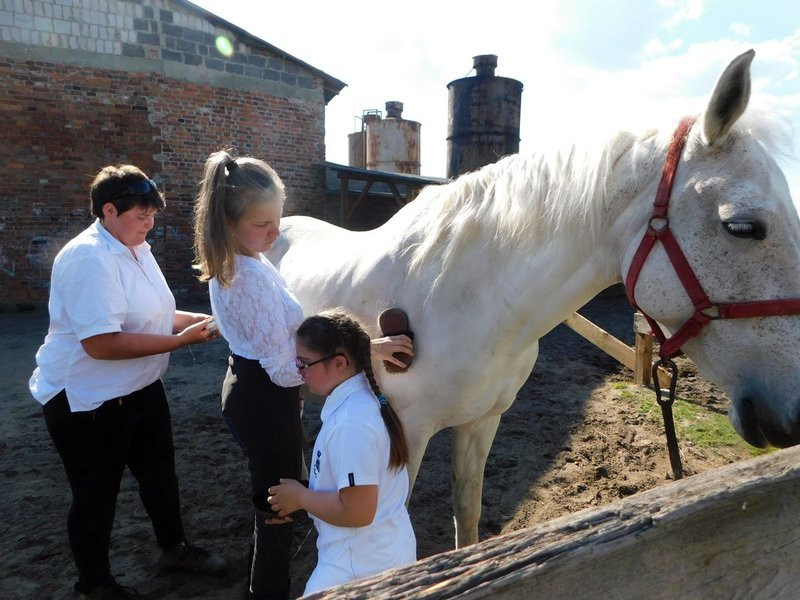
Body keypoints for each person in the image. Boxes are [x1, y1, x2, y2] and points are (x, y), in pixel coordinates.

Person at [192, 150, 413, 600]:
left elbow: (281, 338)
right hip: (264, 394)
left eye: (278, 218)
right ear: (229, 223)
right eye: (262, 224)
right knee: (278, 506)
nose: (276, 232)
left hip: (252, 385)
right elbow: (284, 365)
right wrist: (362, 352)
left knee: (278, 497)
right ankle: (268, 591)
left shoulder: (245, 259)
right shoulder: (247, 276)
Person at [29, 165, 228, 600]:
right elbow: (101, 343)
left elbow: (152, 312)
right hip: (88, 398)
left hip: (140, 388)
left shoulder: (135, 245)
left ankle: (173, 549)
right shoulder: (88, 258)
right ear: (109, 210)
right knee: (95, 495)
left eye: (153, 216)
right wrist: (178, 342)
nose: (150, 224)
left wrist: (203, 321)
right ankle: (96, 584)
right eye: (142, 216)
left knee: (161, 477)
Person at [267, 311, 416, 595]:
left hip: (358, 570)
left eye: (304, 363)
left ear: (339, 363)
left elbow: (358, 511)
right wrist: (298, 499)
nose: (299, 372)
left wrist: (302, 498)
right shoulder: (362, 402)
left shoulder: (351, 425)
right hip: (380, 553)